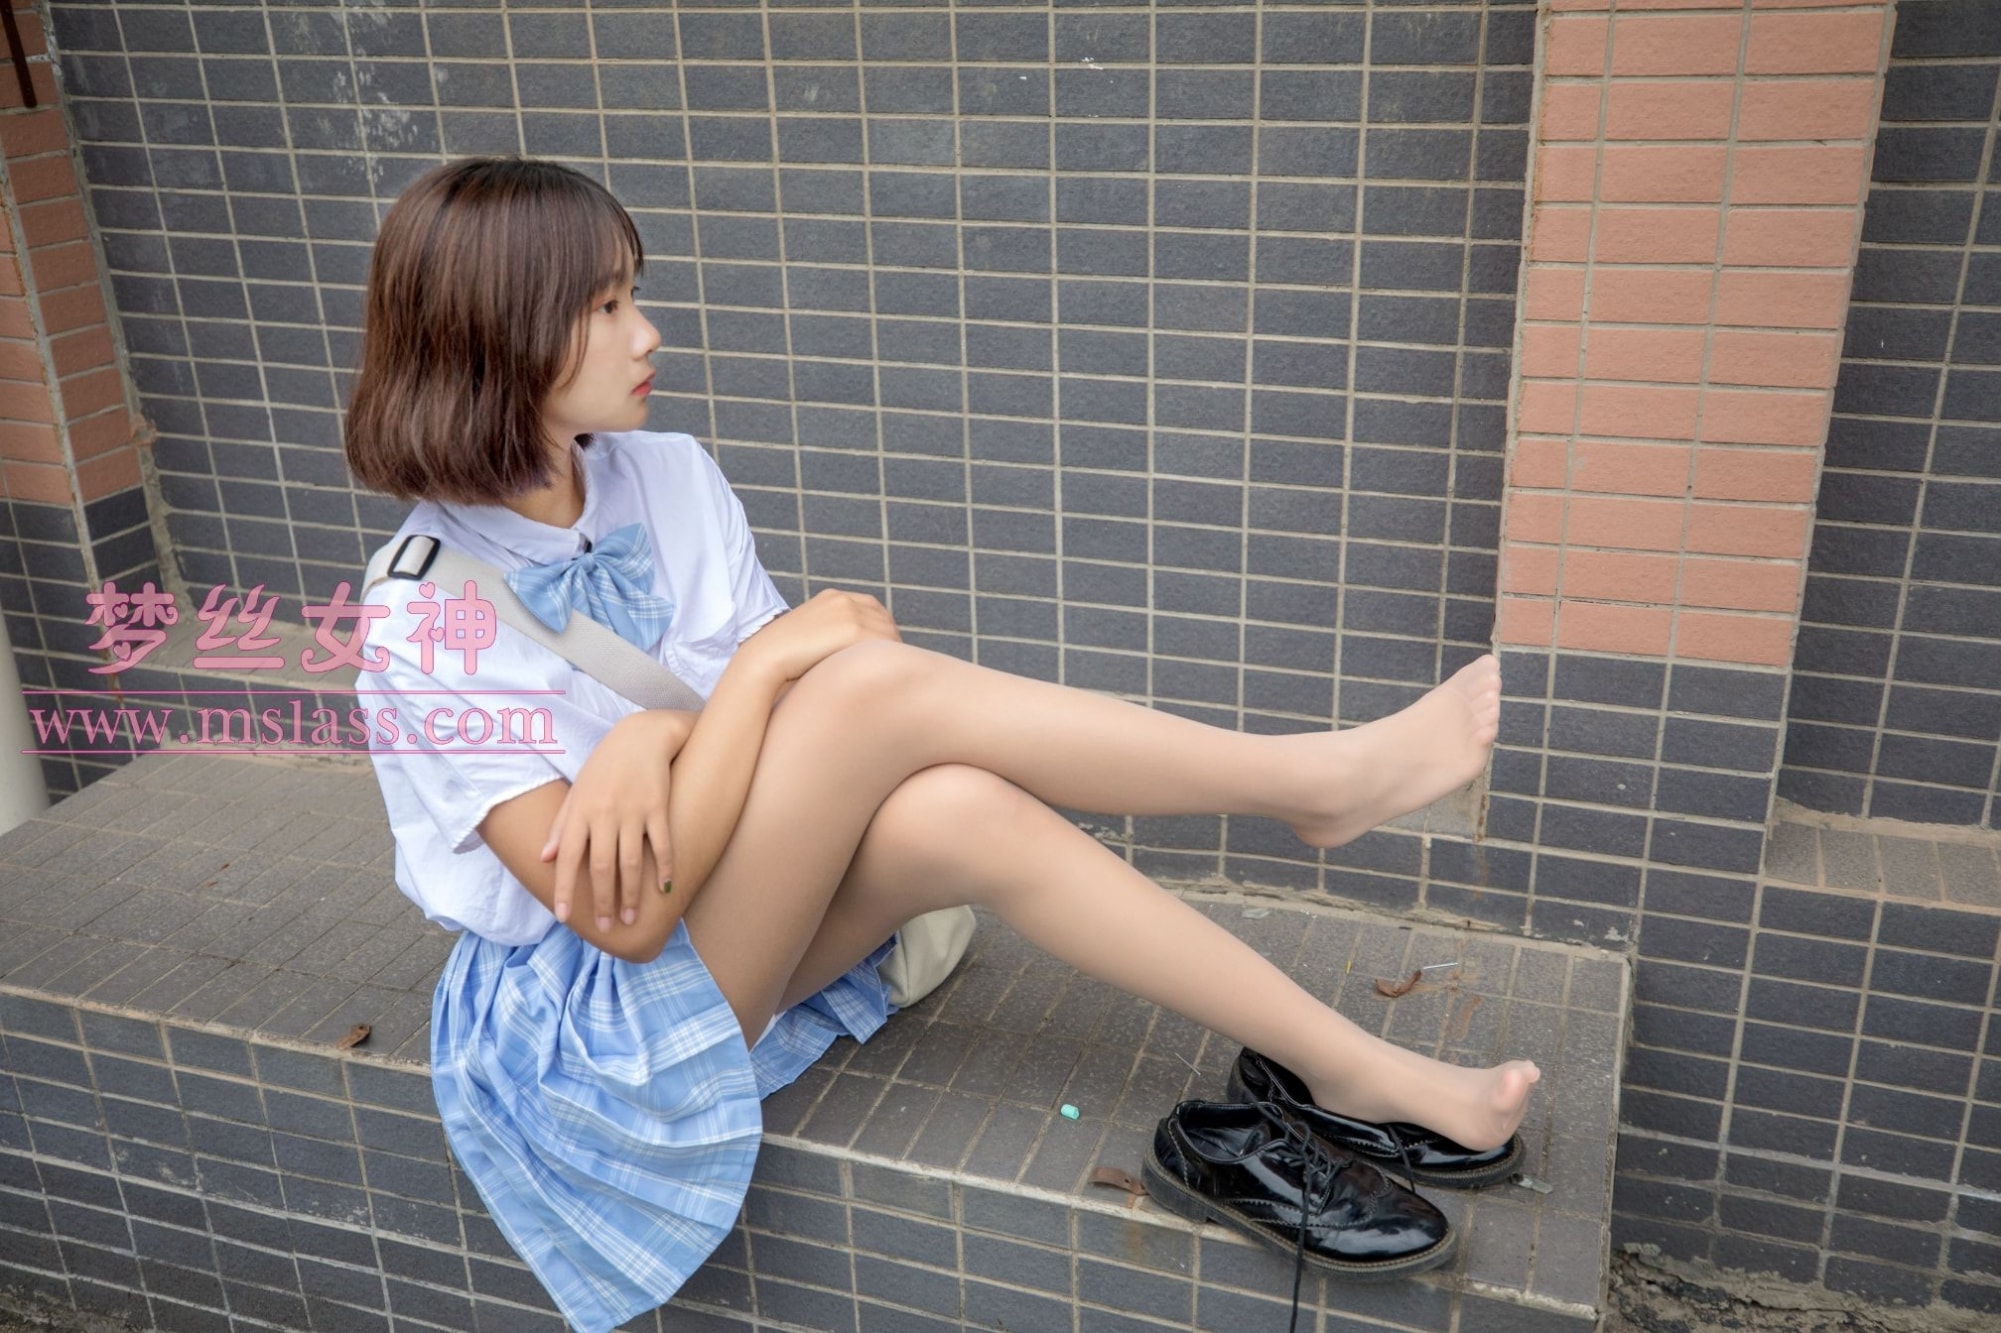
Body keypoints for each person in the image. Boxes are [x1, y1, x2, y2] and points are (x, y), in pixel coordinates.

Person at [347, 157, 1539, 1333]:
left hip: (721, 904)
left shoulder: (668, 477)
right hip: (593, 1023)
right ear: (495, 336)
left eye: (634, 294)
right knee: (866, 692)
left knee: (955, 806)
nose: (647, 332)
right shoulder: (420, 613)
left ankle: (1356, 1068)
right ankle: (1315, 782)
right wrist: (749, 675)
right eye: (604, 308)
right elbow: (625, 917)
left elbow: (791, 733)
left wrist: (654, 735)